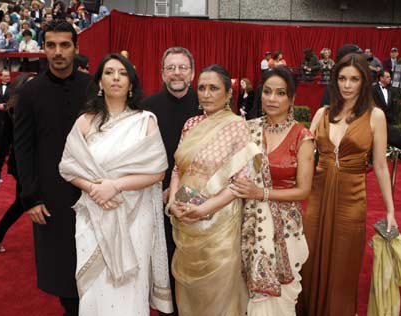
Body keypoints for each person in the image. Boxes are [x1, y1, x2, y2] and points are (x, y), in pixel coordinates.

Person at [59, 53, 173, 315]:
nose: (116, 78)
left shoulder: (145, 120)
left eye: (122, 73)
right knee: (95, 288)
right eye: (109, 73)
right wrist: (94, 189)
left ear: (131, 84)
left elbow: (158, 171)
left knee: (132, 288)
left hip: (136, 216)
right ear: (99, 82)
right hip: (94, 213)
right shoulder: (85, 122)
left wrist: (116, 185)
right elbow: (67, 167)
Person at [298, 53, 398, 316]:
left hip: (352, 200)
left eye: (354, 79)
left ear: (364, 82)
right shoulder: (322, 113)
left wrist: (390, 211)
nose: (347, 85)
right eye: (342, 78)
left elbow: (379, 166)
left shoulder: (375, 116)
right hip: (318, 199)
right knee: (309, 258)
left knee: (344, 263)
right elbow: (305, 160)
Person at [166, 64, 261, 316]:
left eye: (214, 88)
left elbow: (240, 182)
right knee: (188, 289)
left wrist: (205, 209)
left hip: (219, 221)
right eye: (202, 88)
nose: (206, 94)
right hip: (185, 217)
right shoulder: (191, 124)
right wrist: (174, 203)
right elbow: (178, 169)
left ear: (229, 94)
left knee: (218, 288)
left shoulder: (238, 126)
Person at [14, 20, 92, 316]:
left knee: (94, 261)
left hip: (94, 192)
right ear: (43, 48)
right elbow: (23, 148)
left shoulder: (92, 88)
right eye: (51, 45)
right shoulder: (31, 93)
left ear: (76, 48)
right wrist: (31, 197)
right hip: (51, 196)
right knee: (62, 267)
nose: (58, 52)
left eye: (64, 45)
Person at [231, 66, 314, 316]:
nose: (272, 99)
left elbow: (303, 191)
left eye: (280, 93)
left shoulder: (303, 137)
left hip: (285, 230)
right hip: (249, 225)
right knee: (248, 294)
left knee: (281, 299)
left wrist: (261, 193)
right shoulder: (248, 130)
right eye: (267, 92)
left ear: (292, 99)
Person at [140, 46, 199, 316]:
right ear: (163, 74)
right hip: (157, 196)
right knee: (164, 258)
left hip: (199, 199)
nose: (177, 73)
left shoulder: (206, 104)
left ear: (193, 72)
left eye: (182, 67)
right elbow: (140, 155)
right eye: (171, 68)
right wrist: (162, 189)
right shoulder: (147, 108)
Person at [0, 73, 34, 253]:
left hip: (39, 164)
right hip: (22, 165)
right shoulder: (13, 110)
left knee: (23, 201)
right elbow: (4, 143)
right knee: (24, 201)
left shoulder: (42, 107)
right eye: (31, 85)